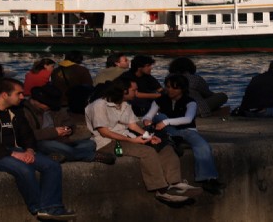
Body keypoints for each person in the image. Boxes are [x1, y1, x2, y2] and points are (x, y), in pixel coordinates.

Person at [0, 78, 76, 220]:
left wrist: (30, 150)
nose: (22, 97)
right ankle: (38, 207)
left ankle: (53, 207)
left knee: (51, 166)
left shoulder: (16, 112)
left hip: (13, 150)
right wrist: (12, 154)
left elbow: (27, 135)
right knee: (24, 169)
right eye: (18, 94)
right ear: (4, 95)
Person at [85, 78, 201, 206]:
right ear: (124, 91)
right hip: (107, 142)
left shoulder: (125, 105)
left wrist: (148, 136)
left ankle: (175, 183)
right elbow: (104, 132)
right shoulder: (99, 105)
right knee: (148, 152)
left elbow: (133, 126)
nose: (136, 93)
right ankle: (161, 191)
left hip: (126, 137)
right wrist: (132, 140)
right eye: (134, 90)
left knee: (164, 146)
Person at [143, 74, 225, 195]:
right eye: (168, 87)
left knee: (202, 146)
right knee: (160, 116)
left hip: (186, 130)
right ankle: (175, 141)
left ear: (182, 89)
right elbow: (149, 114)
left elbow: (188, 119)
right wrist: (147, 119)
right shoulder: (160, 100)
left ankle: (208, 179)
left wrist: (166, 122)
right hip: (169, 130)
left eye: (174, 88)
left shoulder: (190, 102)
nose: (170, 90)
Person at [22, 83, 113, 164]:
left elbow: (70, 123)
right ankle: (91, 156)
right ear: (37, 101)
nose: (49, 107)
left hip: (60, 141)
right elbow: (28, 135)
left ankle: (59, 156)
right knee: (54, 146)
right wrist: (54, 132)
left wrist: (68, 129)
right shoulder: (24, 111)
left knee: (90, 144)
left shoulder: (56, 109)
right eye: (47, 105)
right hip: (39, 143)